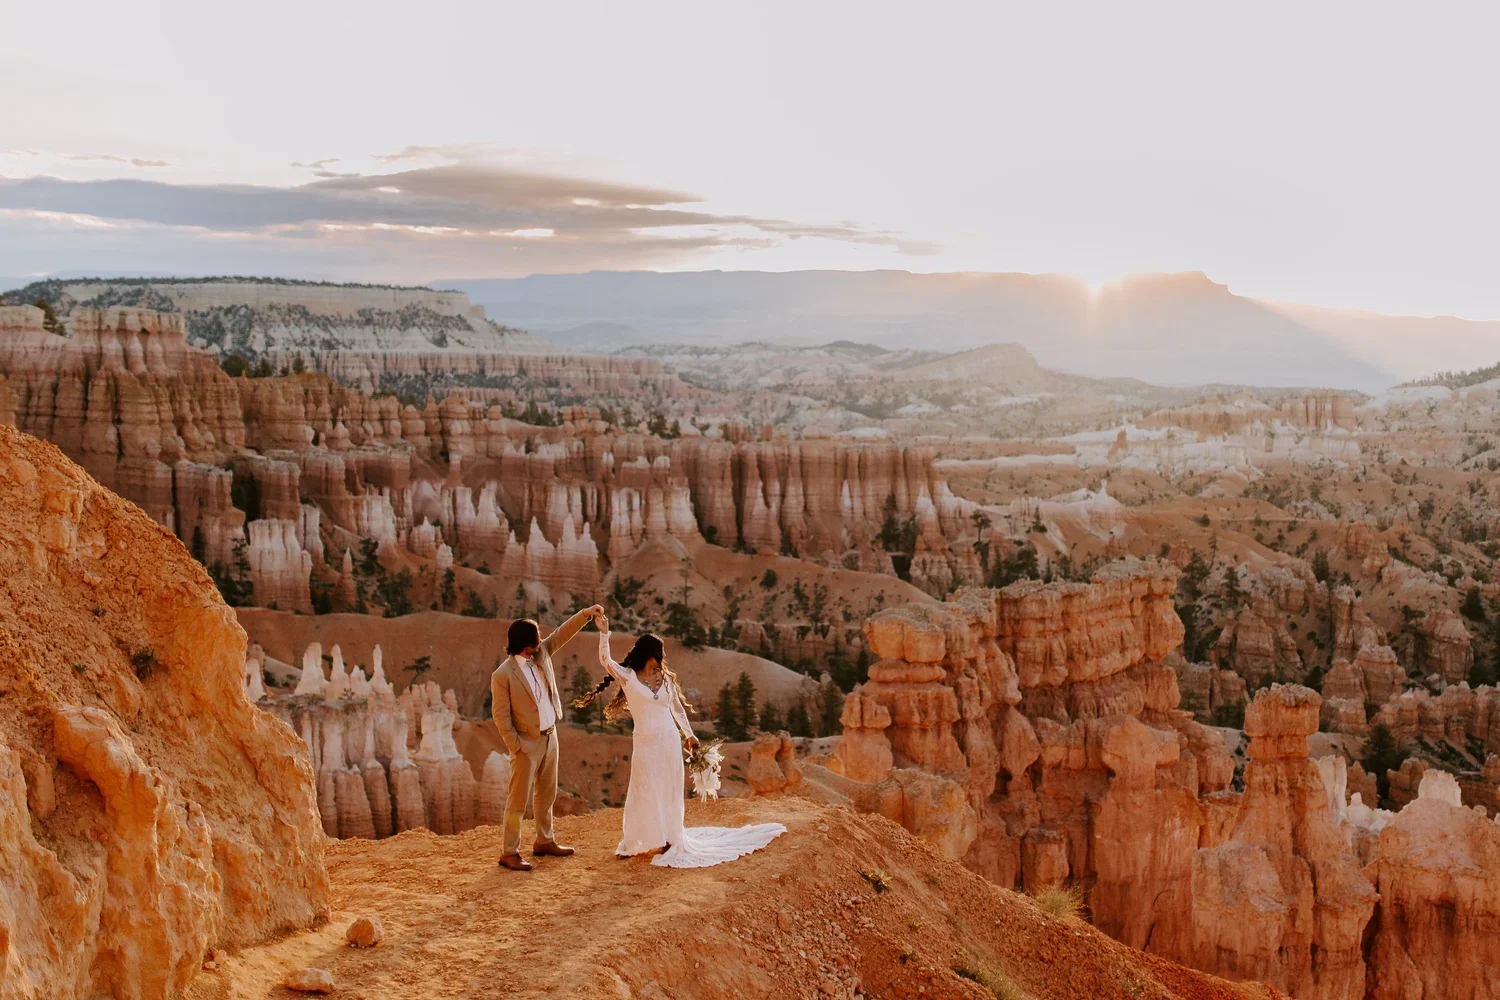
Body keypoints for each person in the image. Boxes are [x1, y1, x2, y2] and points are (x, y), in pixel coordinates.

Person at [574, 612, 785, 867]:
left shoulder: (665, 679)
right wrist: (604, 633)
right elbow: (605, 660)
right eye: (658, 654)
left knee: (669, 788)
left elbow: (676, 709)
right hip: (644, 742)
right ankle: (634, 841)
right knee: (643, 788)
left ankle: (669, 838)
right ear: (648, 653)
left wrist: (690, 735)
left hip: (669, 740)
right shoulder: (628, 676)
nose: (661, 659)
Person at [490, 605, 603, 871]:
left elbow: (562, 634)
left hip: (551, 737)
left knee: (546, 794)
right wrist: (517, 747)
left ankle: (544, 841)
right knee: (518, 801)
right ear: (520, 644)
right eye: (532, 642)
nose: (538, 644)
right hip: (527, 745)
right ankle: (509, 852)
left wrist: (585, 614)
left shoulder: (541, 653)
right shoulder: (502, 675)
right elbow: (500, 717)